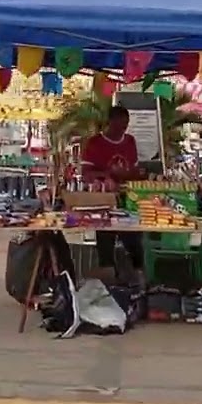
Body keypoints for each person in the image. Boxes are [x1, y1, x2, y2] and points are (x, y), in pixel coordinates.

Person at [81, 105, 145, 282]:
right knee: (105, 236)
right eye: (118, 126)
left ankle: (138, 275)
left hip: (128, 199)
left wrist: (130, 175)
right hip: (104, 200)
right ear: (109, 123)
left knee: (133, 237)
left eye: (125, 126)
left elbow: (134, 171)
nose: (122, 130)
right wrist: (106, 176)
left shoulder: (130, 141)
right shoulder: (94, 143)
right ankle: (107, 273)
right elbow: (86, 174)